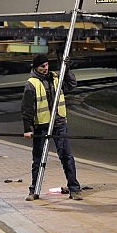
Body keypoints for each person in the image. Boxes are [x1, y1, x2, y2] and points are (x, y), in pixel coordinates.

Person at [22, 54, 82, 201]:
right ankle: (34, 190)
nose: (46, 68)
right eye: (42, 66)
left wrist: (66, 69)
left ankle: (74, 189)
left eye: (47, 65)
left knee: (66, 157)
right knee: (38, 159)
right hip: (41, 126)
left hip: (59, 124)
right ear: (36, 67)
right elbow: (27, 108)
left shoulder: (56, 78)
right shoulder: (31, 83)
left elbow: (71, 84)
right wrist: (28, 128)